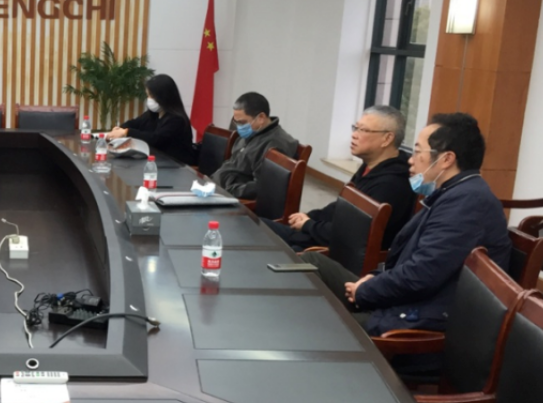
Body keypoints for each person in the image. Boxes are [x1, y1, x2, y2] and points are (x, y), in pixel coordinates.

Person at [304, 112, 510, 335]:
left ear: (446, 159)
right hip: (404, 301)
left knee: (317, 326)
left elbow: (421, 275)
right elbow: (411, 261)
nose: (410, 160)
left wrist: (366, 290)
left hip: (419, 318)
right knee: (310, 263)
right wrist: (374, 278)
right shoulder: (452, 193)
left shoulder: (467, 203)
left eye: (418, 152)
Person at [264, 105, 414, 252]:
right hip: (322, 237)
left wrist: (309, 225)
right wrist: (309, 218)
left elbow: (352, 235)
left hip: (335, 252)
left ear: (387, 138)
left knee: (264, 240)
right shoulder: (371, 166)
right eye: (355, 128)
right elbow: (341, 207)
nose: (354, 135)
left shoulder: (392, 184)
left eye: (363, 130)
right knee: (258, 226)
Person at [210, 92, 299, 199]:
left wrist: (227, 190)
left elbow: (261, 188)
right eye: (236, 122)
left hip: (234, 197)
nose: (238, 127)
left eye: (242, 122)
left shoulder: (276, 145)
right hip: (219, 186)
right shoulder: (253, 133)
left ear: (261, 117)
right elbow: (233, 164)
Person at [107, 73, 196, 165]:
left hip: (177, 165)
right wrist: (120, 129)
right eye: (148, 95)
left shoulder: (177, 119)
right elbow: (134, 123)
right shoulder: (154, 113)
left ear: (164, 97)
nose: (149, 99)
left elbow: (155, 139)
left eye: (152, 96)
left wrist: (126, 132)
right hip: (158, 161)